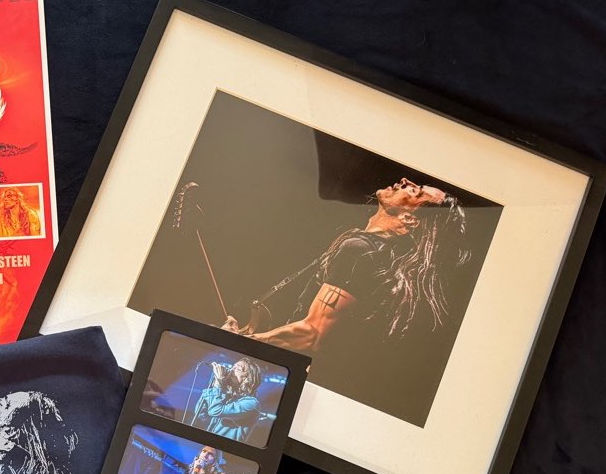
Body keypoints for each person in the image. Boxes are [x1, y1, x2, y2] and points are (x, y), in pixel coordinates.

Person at [223, 177, 468, 356]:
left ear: (409, 218)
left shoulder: (362, 251)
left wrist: (244, 344)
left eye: (415, 191)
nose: (405, 181)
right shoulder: (376, 252)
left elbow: (311, 334)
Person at [193, 358, 262, 442]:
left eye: (238, 369)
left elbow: (215, 411)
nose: (231, 370)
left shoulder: (251, 403)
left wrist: (218, 384)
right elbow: (201, 414)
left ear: (247, 379)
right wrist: (215, 385)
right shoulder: (226, 397)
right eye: (233, 367)